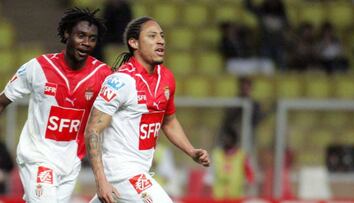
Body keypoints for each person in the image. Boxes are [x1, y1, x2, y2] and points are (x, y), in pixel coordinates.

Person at [85, 16, 210, 203]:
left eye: (162, 36)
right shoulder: (120, 82)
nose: (160, 40)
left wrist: (191, 151)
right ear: (134, 43)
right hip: (120, 173)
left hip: (138, 171)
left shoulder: (166, 78)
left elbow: (168, 121)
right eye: (152, 36)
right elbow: (92, 130)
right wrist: (101, 180)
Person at [0, 8, 111, 202]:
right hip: (38, 157)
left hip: (71, 162)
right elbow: (2, 101)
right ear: (67, 33)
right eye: (81, 35)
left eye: (92, 38)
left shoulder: (103, 75)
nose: (86, 43)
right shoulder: (38, 68)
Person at [204, 127, 254, 199]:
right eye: (225, 138)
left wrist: (246, 191)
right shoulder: (216, 155)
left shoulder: (242, 156)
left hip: (236, 198)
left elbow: (249, 176)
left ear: (235, 140)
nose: (227, 140)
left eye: (229, 138)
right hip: (218, 198)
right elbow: (209, 176)